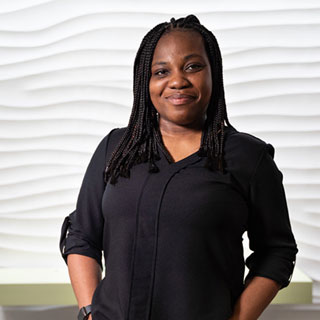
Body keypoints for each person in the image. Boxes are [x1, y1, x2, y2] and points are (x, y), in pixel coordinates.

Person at [59, 14, 298, 320]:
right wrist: (90, 313)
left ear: (214, 73)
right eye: (161, 71)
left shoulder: (248, 157)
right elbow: (82, 235)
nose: (177, 81)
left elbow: (277, 252)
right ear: (146, 82)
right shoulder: (116, 148)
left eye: (192, 67)